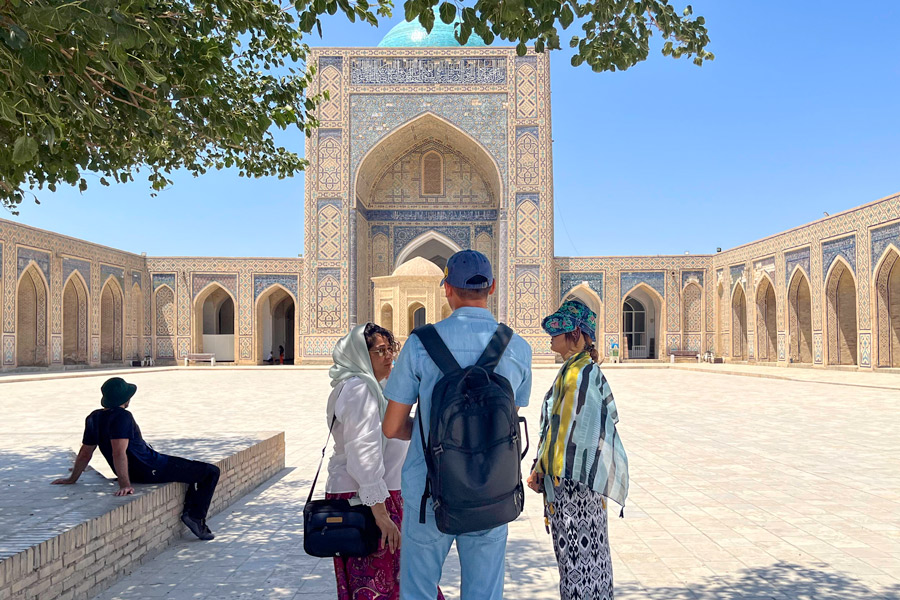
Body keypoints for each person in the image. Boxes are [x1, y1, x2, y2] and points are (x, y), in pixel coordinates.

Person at [382, 249, 533, 600]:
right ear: (492, 287)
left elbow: (391, 427)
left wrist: (427, 428)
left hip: (428, 492)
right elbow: (506, 417)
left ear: (446, 288)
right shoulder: (517, 347)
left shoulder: (421, 344)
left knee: (418, 591)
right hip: (491, 492)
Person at [325, 323, 441, 600]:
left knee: (398, 580)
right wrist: (381, 515)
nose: (389, 356)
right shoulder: (358, 390)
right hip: (365, 500)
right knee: (380, 583)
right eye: (380, 351)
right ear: (361, 355)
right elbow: (362, 451)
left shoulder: (373, 388)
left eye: (391, 349)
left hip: (379, 494)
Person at [526, 299, 629, 600]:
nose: (552, 336)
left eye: (559, 329)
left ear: (575, 335)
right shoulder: (582, 369)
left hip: (570, 484)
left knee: (576, 561)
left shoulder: (576, 374)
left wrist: (539, 469)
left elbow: (564, 433)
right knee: (591, 557)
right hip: (583, 482)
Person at [51, 377, 221, 541]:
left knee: (187, 470)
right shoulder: (122, 416)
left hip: (144, 467)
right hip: (150, 468)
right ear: (126, 398)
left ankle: (190, 513)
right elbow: (118, 452)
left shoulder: (94, 417)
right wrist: (125, 484)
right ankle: (196, 518)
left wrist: (72, 478)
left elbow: (85, 453)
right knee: (211, 472)